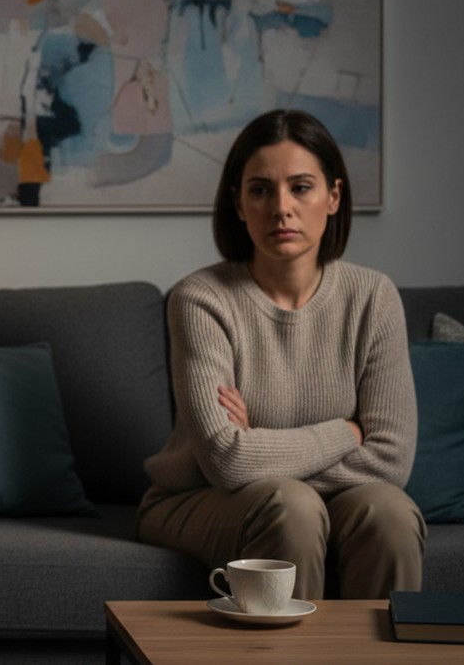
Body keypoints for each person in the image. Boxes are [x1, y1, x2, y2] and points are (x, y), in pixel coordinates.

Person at [136, 109, 425, 601]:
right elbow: (227, 462)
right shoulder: (201, 299)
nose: (281, 208)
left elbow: (392, 459)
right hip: (198, 500)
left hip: (327, 501)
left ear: (333, 196)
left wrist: (262, 449)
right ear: (239, 203)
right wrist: (347, 432)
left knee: (390, 511)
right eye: (261, 189)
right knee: (291, 505)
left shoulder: (373, 297)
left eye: (301, 187)